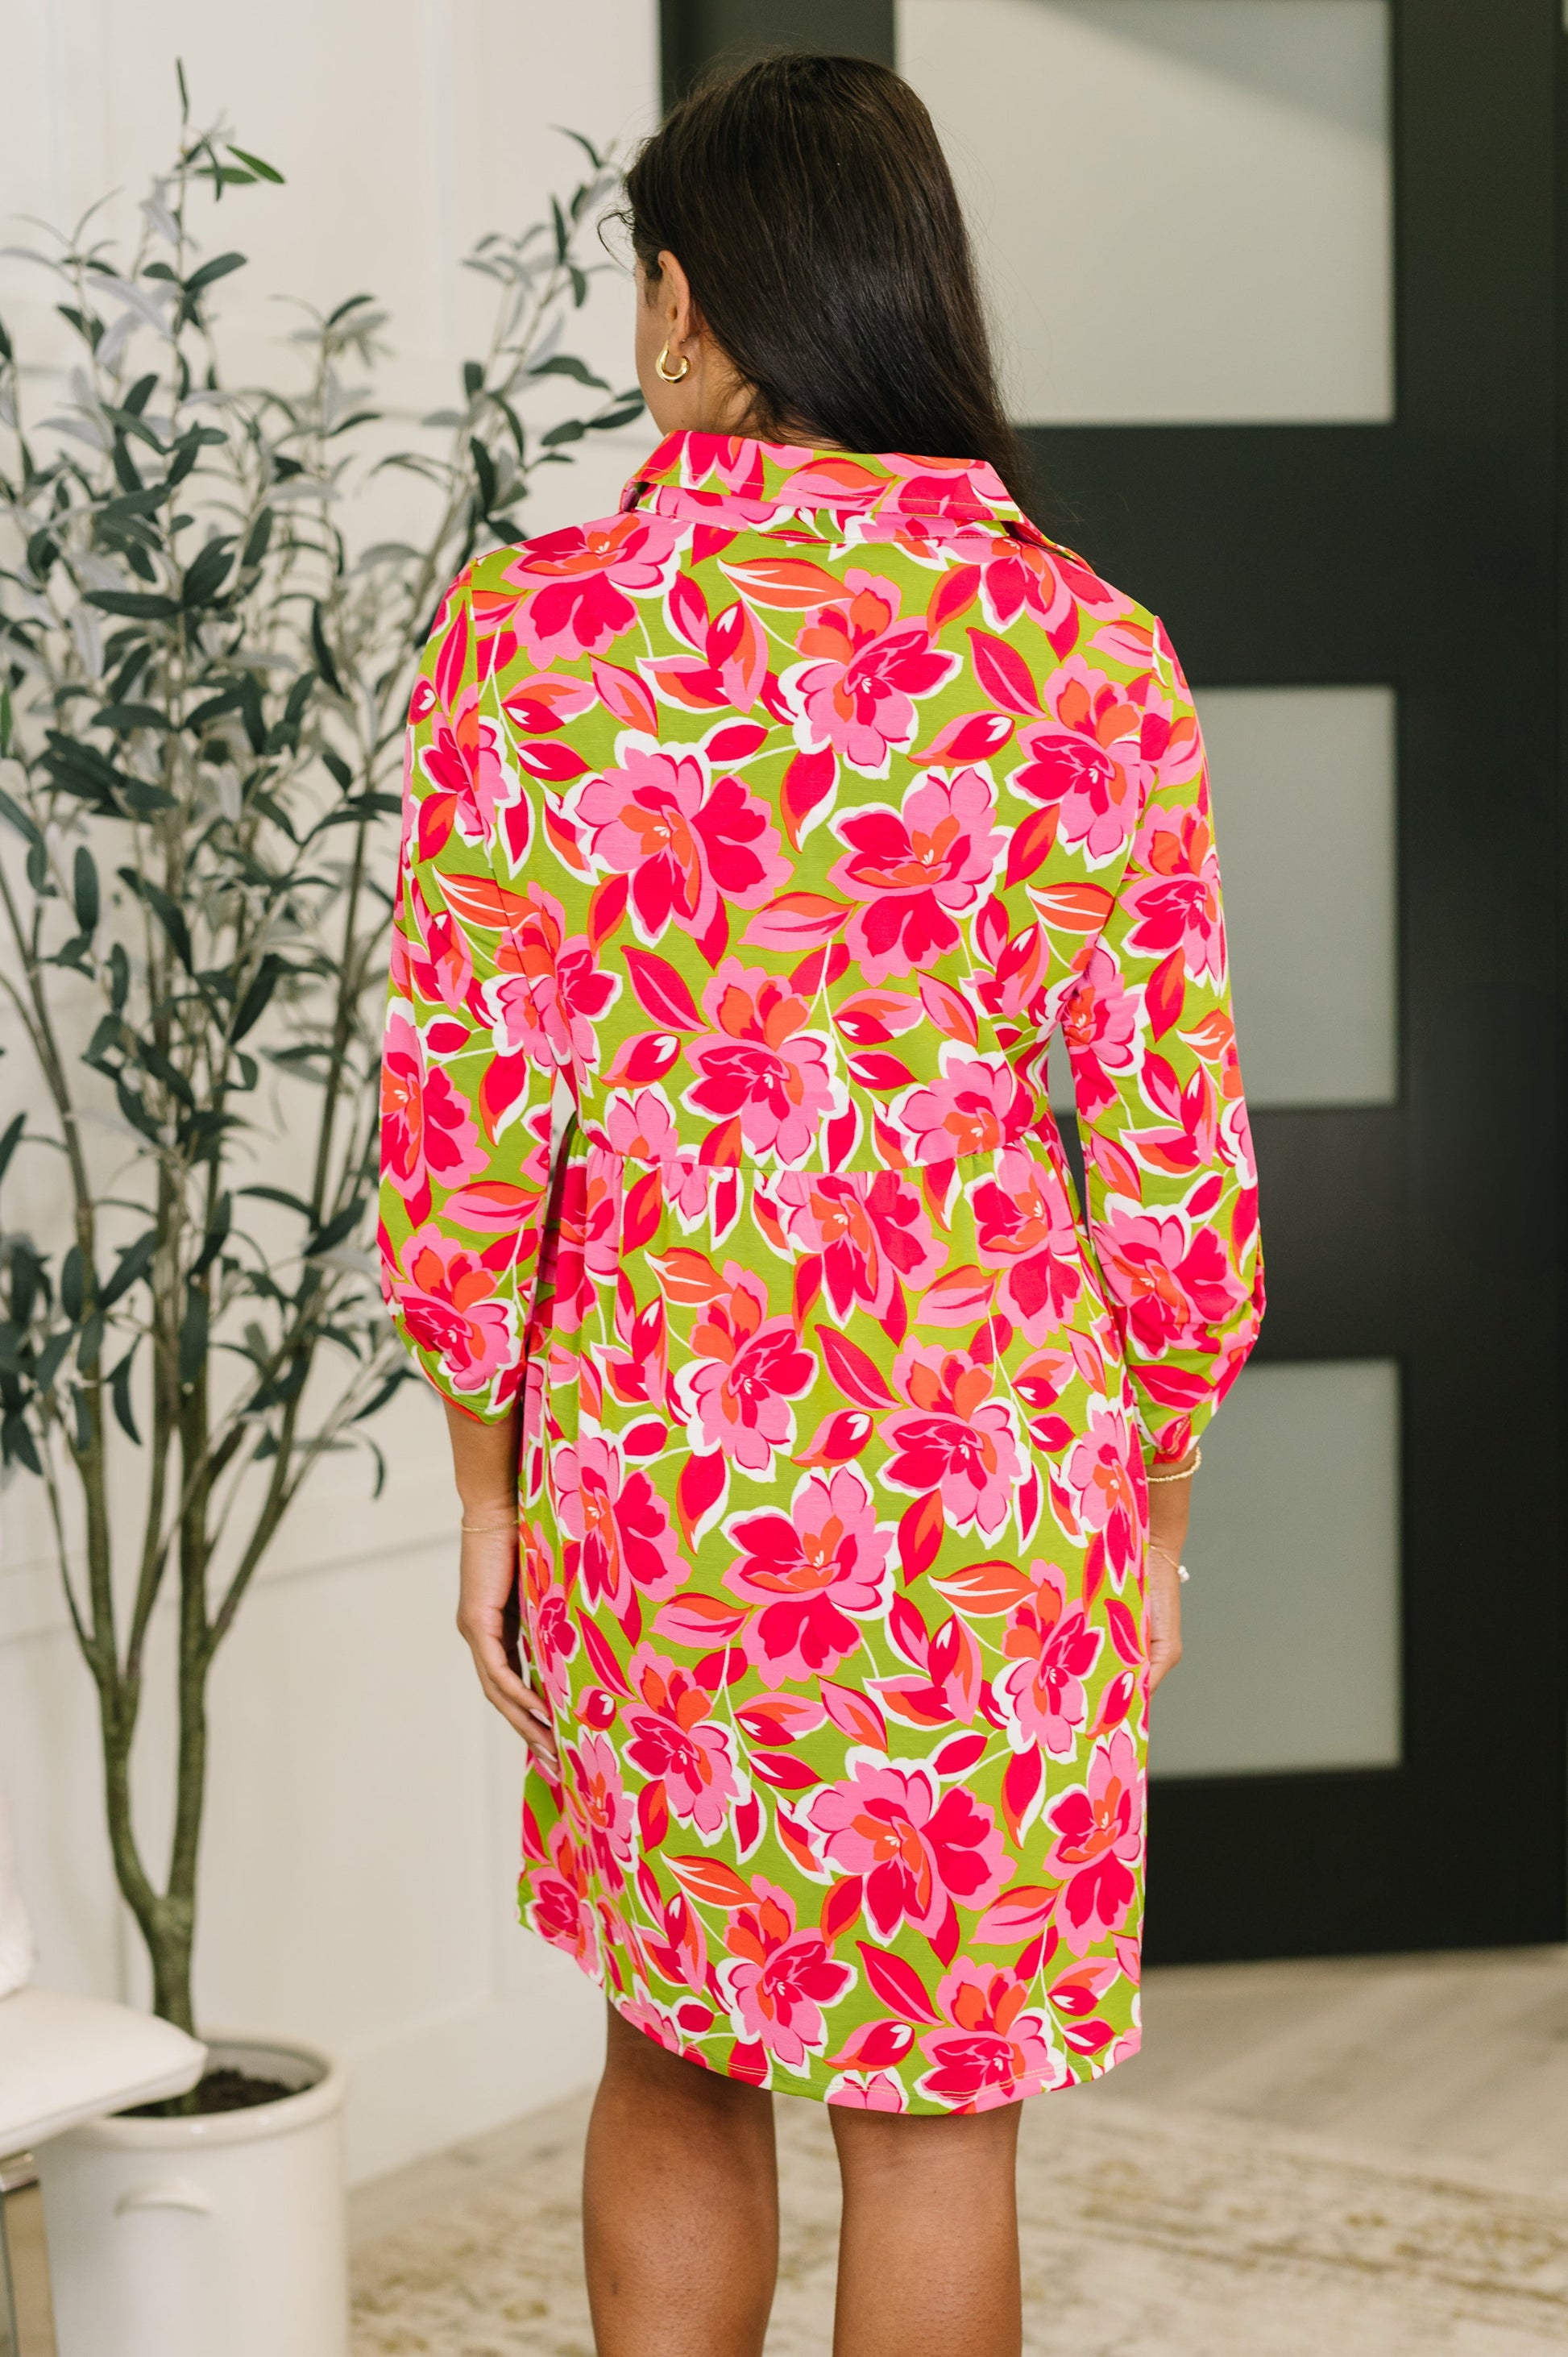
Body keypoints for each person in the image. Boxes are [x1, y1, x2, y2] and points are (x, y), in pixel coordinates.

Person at [379, 49, 1263, 2357]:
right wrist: (1154, 1504)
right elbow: (1171, 1167)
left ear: (686, 302)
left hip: (662, 1467)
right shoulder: (1089, 653)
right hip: (990, 1490)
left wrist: (485, 1490)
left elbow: (466, 1130)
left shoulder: (534, 639)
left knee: (671, 2042)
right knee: (938, 2120)